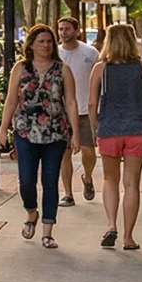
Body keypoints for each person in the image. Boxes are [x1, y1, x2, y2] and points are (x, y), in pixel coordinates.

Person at [88, 23, 142, 250]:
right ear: (133, 40)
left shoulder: (100, 69)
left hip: (109, 129)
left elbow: (92, 103)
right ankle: (128, 237)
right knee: (132, 184)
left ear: (108, 41)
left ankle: (111, 225)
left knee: (109, 179)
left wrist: (94, 130)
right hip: (138, 129)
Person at [0, 25, 77, 249]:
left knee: (50, 181)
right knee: (26, 181)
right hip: (25, 131)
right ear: (31, 44)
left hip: (55, 132)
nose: (46, 45)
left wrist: (75, 134)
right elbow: (12, 100)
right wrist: (3, 129)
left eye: (49, 42)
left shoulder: (63, 70)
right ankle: (31, 212)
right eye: (41, 41)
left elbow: (70, 102)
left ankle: (47, 231)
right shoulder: (20, 68)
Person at [55, 17, 101, 209]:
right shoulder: (54, 52)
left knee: (88, 151)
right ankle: (67, 194)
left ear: (77, 31)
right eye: (60, 29)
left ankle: (88, 177)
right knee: (64, 154)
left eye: (67, 29)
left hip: (85, 109)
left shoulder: (90, 53)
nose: (63, 32)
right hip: (61, 112)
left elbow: (99, 79)